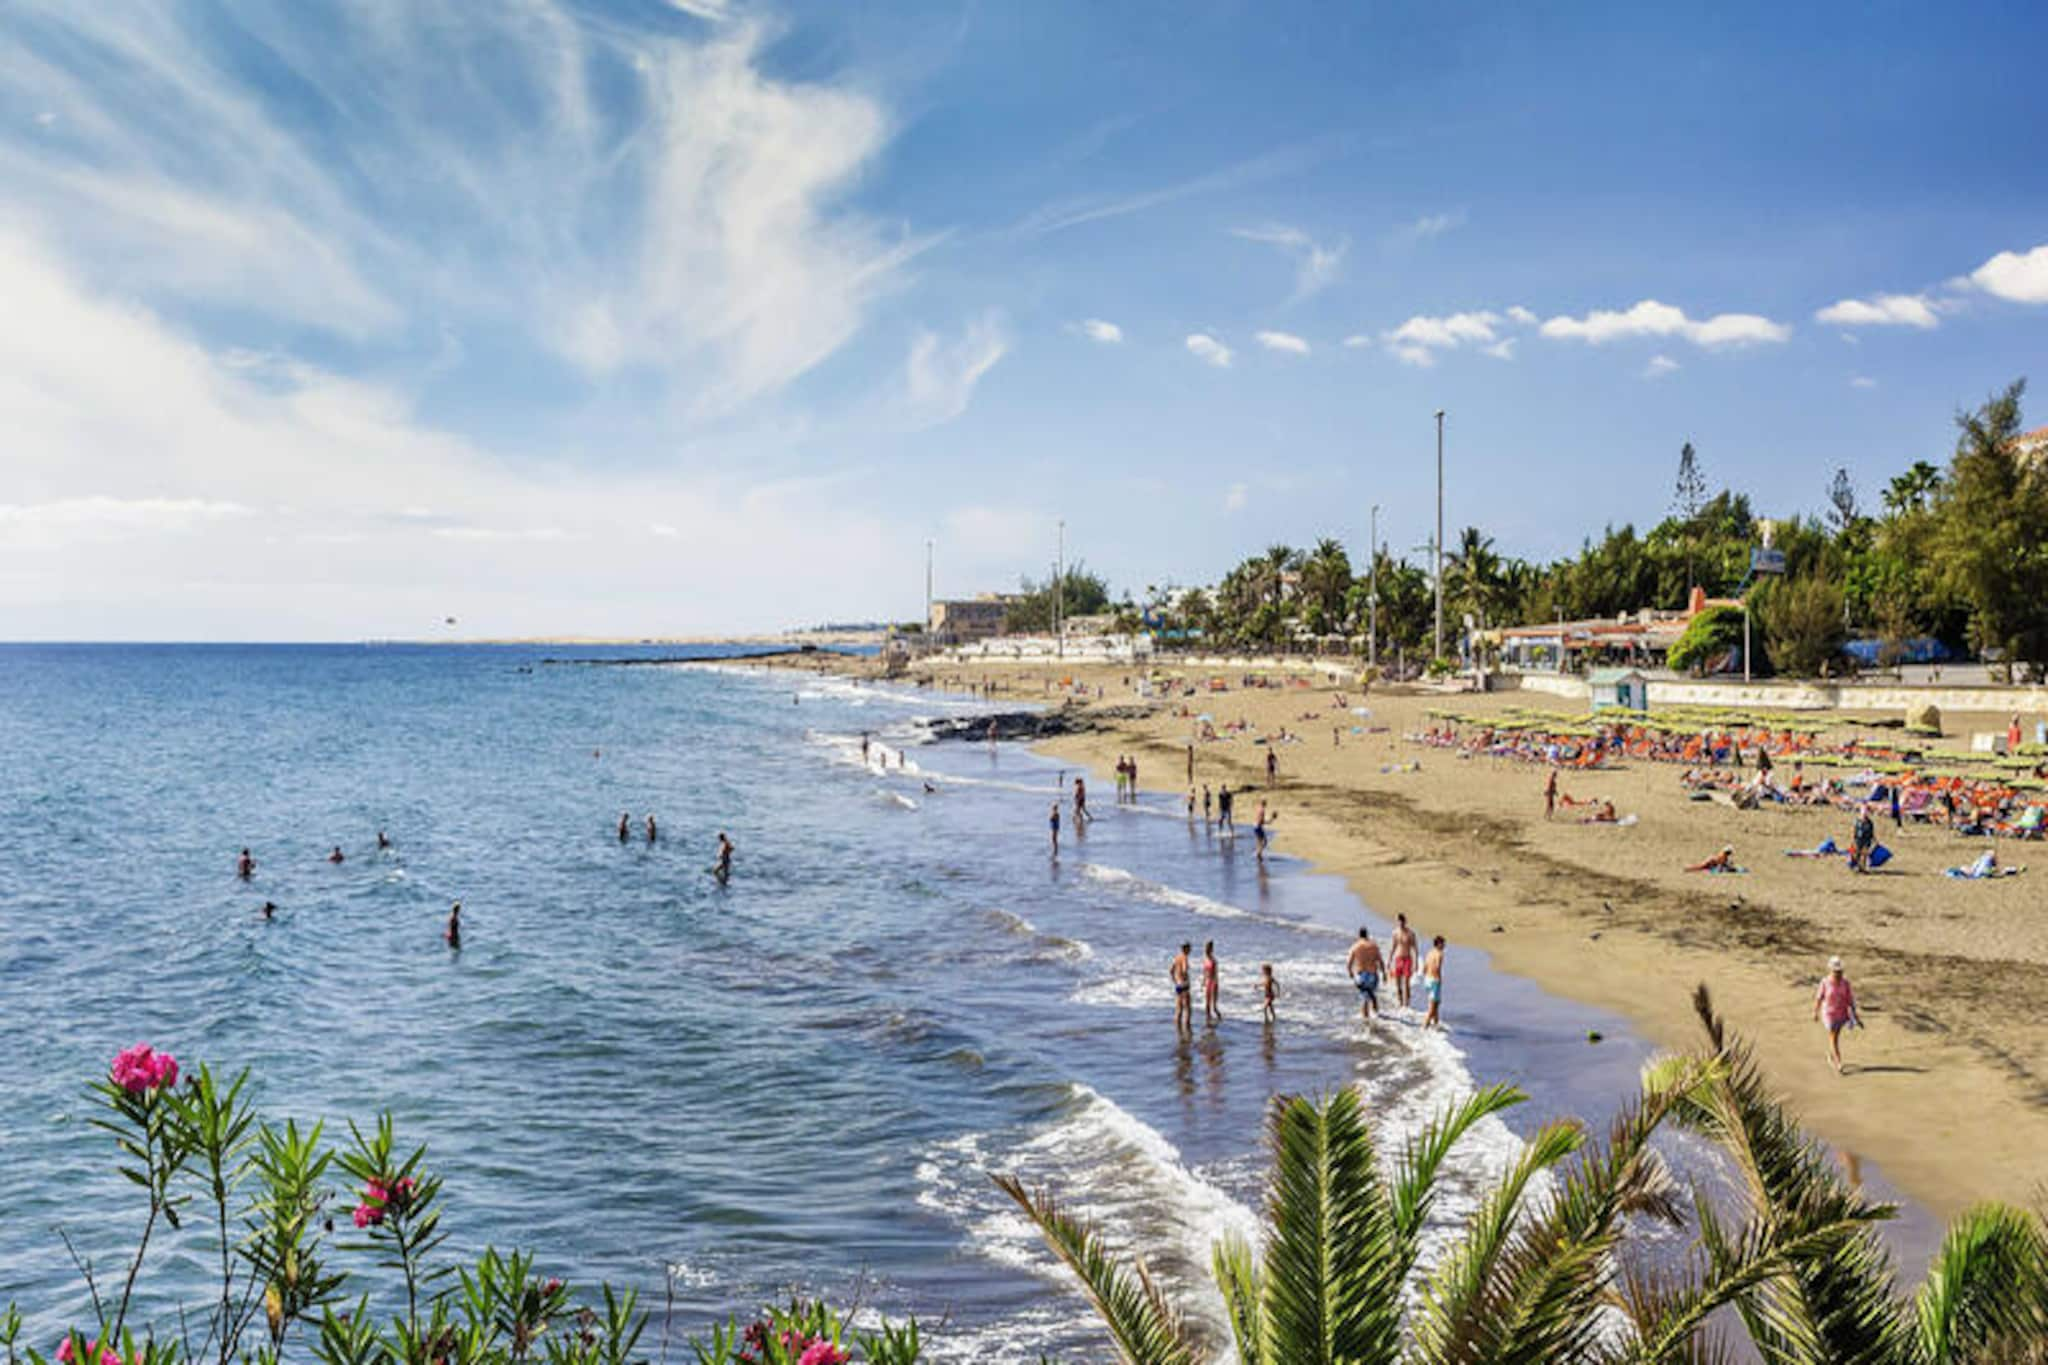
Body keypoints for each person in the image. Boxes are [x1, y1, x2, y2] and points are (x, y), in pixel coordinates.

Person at [1813, 955, 1860, 1073]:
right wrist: (1815, 1012)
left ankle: (1831, 1053)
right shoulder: (1825, 982)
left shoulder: (1846, 983)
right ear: (1831, 971)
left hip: (1842, 1013)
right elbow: (1819, 998)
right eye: (1836, 972)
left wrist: (1855, 1015)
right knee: (1833, 1037)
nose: (1838, 974)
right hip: (1829, 1014)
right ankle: (1839, 1062)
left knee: (1835, 1037)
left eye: (1840, 971)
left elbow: (1850, 1000)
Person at [1346, 929, 1383, 1020]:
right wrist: (1384, 973)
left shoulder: (1355, 946)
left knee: (1365, 998)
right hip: (1372, 974)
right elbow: (1380, 961)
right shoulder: (1373, 946)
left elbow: (1349, 962)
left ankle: (1366, 1019)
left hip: (1361, 975)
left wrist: (1350, 972)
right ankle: (1376, 1015)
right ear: (1367, 935)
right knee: (1371, 994)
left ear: (1359, 935)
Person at [1389, 913, 1419, 1009]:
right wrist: (1389, 960)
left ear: (1405, 922)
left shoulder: (1410, 933)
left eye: (1402, 921)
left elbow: (1415, 948)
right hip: (1398, 959)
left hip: (1407, 959)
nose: (1400, 923)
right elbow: (1393, 947)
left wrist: (1416, 962)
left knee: (1406, 982)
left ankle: (1406, 1004)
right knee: (1397, 983)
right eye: (1399, 921)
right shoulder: (1395, 933)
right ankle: (1400, 1002)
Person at [1421, 935, 1446, 1029]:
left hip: (1427, 979)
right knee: (1432, 1007)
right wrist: (1439, 979)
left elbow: (1425, 966)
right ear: (1439, 944)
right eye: (1443, 944)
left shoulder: (1429, 952)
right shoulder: (1439, 954)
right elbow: (1437, 967)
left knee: (1436, 1004)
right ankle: (1424, 1027)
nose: (1444, 946)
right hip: (1434, 980)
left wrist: (1426, 976)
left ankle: (1436, 1025)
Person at [1170, 942, 1192, 1031]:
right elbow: (1184, 969)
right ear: (1186, 949)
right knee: (1187, 1009)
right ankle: (1187, 1030)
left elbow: (1171, 970)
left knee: (1178, 1009)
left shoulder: (1177, 957)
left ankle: (1178, 1030)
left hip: (1178, 984)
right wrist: (1185, 977)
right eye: (1189, 948)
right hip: (1184, 984)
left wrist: (1175, 980)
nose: (1190, 950)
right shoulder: (1184, 958)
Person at [1850, 805, 1876, 874]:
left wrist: (1875, 841)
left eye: (1866, 811)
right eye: (1863, 810)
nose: (1864, 812)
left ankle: (1862, 868)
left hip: (1866, 840)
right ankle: (1856, 866)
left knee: (1864, 854)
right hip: (1858, 840)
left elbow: (1872, 833)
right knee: (1855, 854)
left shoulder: (1870, 822)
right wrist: (1852, 840)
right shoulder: (1857, 821)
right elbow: (1853, 831)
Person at [1202, 941, 1221, 1024]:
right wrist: (1203, 981)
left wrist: (1216, 984)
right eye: (1205, 949)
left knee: (1214, 1006)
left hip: (1213, 982)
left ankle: (1220, 1020)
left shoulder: (1214, 960)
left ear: (1211, 950)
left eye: (1208, 949)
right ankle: (1208, 1020)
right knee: (1207, 1004)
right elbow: (1204, 972)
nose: (1206, 950)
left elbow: (1216, 974)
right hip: (1208, 982)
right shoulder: (1205, 959)